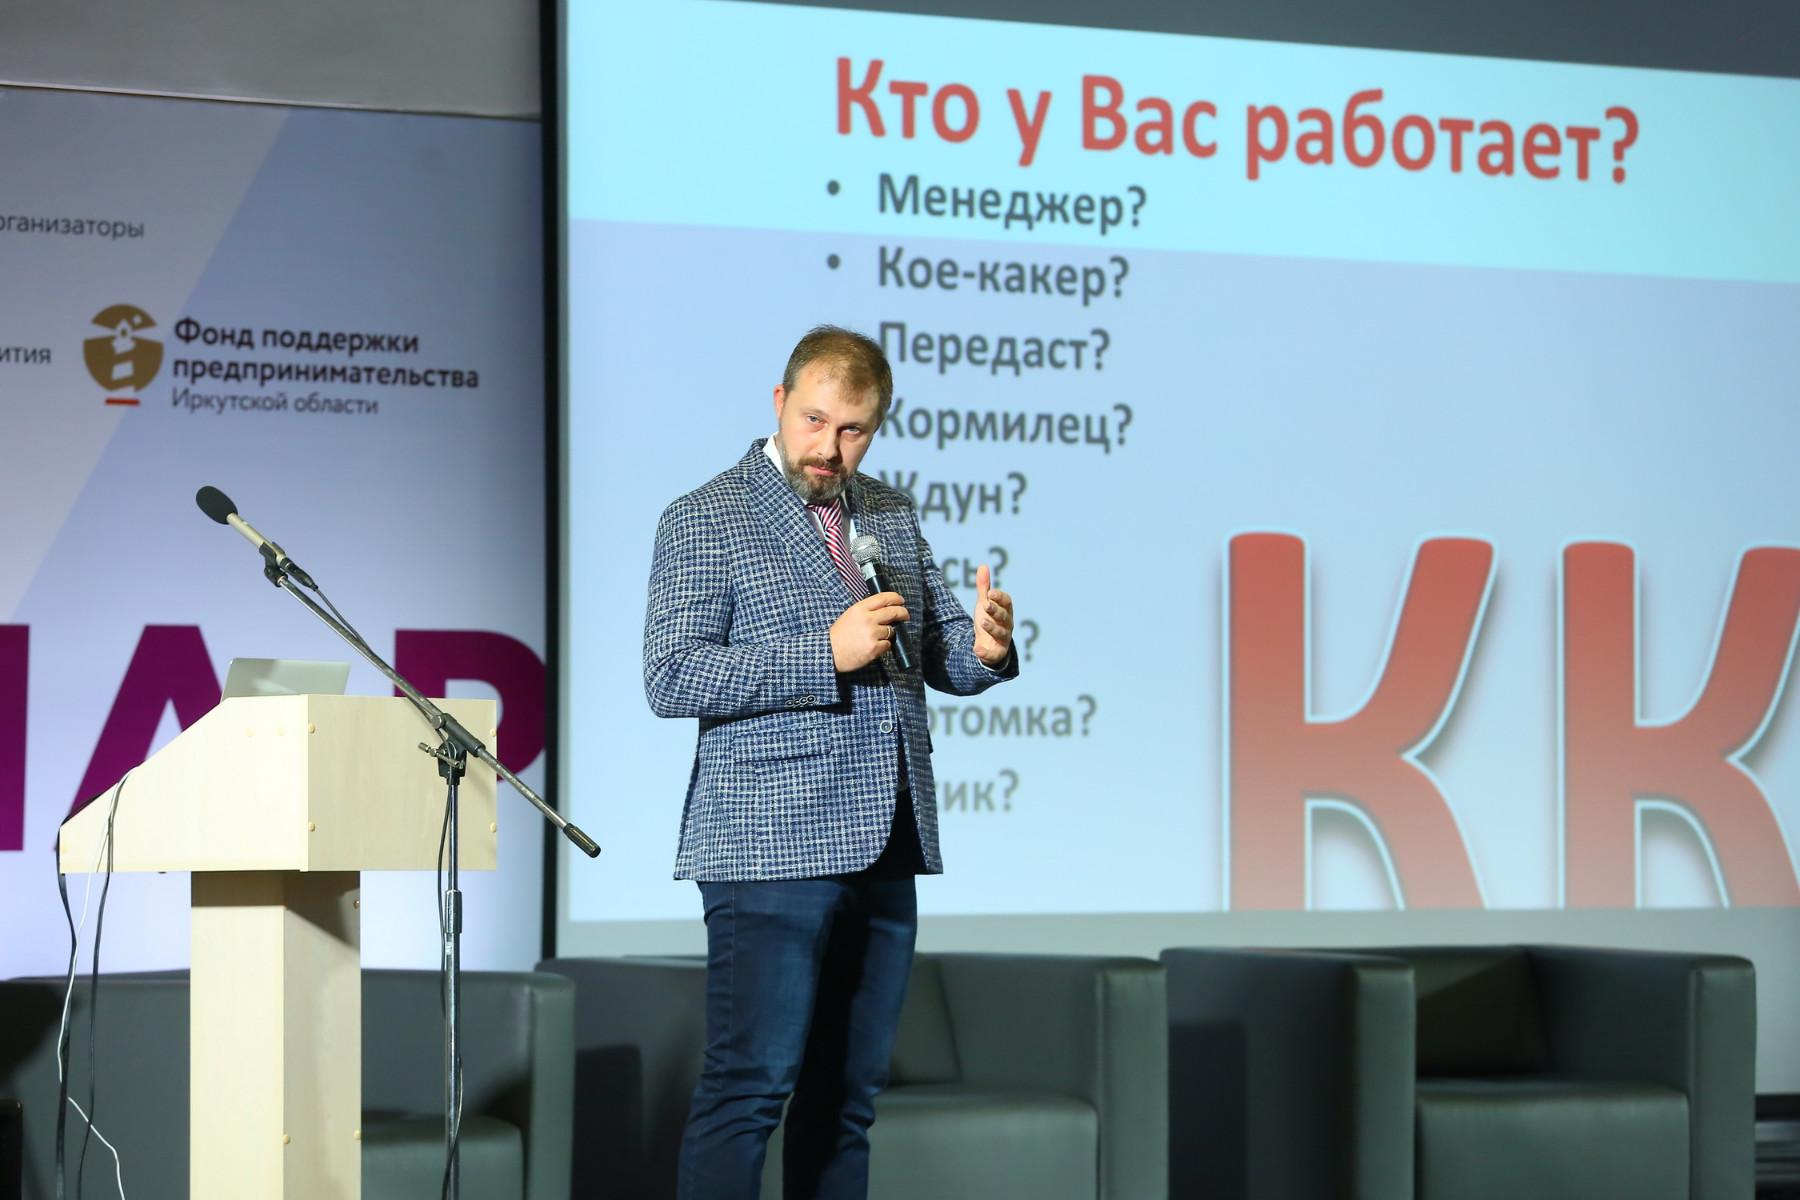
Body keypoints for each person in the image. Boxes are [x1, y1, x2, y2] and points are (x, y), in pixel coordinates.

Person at [643, 325, 1019, 1199]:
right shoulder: (706, 515)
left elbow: (936, 652)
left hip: (887, 836)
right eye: (814, 421)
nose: (829, 447)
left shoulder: (887, 511)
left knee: (846, 1101)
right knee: (750, 1088)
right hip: (769, 846)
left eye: (853, 430)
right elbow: (672, 674)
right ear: (780, 403)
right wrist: (825, 653)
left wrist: (987, 650)